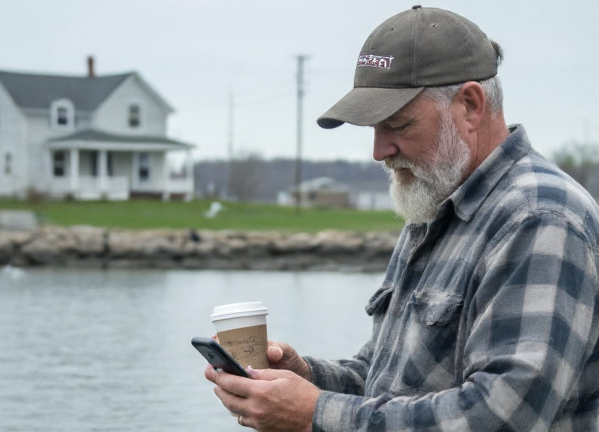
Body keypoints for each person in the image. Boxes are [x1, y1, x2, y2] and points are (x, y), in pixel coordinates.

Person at [204, 6, 599, 431]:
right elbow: (385, 382)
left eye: (397, 124)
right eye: (374, 129)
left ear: (470, 105)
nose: (379, 151)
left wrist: (312, 412)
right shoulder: (432, 203)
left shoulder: (541, 219)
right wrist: (307, 379)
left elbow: (500, 417)